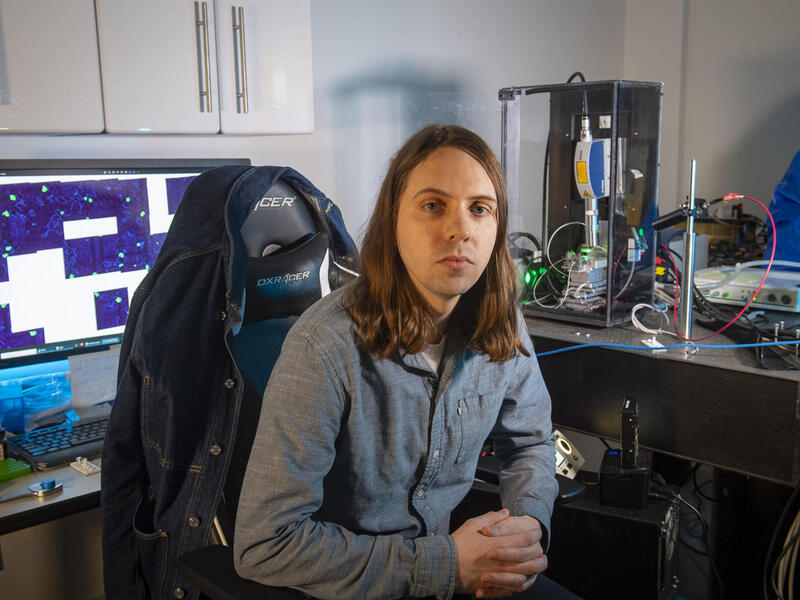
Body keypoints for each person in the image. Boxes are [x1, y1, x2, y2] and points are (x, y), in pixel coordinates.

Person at [234, 125, 577, 599]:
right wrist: (448, 565)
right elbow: (266, 545)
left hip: (453, 570)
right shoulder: (324, 347)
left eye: (480, 209)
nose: (460, 229)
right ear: (393, 221)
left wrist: (523, 530)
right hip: (358, 584)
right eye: (433, 205)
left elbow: (531, 443)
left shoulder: (502, 322)